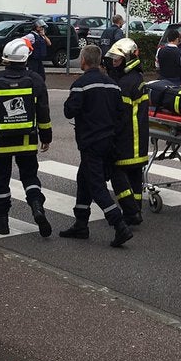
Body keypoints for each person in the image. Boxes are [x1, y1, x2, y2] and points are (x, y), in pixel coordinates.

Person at [0, 38, 54, 237]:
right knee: (30, 176)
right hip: (27, 140)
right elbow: (43, 112)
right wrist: (46, 137)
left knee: (0, 180)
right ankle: (37, 208)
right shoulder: (36, 79)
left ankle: (2, 222)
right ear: (26, 58)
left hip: (1, 142)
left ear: (5, 59)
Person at [60, 44, 133, 247]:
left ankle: (119, 225)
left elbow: (69, 111)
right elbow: (121, 114)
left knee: (96, 186)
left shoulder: (81, 84)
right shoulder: (112, 84)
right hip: (109, 141)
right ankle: (81, 224)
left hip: (90, 142)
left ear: (83, 61)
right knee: (83, 179)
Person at [105, 37, 149, 227]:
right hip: (139, 138)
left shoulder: (125, 83)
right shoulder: (136, 78)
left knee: (117, 173)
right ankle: (136, 209)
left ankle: (130, 211)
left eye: (117, 59)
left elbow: (120, 115)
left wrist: (111, 135)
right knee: (135, 177)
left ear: (128, 59)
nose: (114, 63)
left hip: (127, 139)